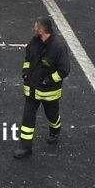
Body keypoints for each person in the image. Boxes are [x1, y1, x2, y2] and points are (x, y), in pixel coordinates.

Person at [16, 16, 72, 158]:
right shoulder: (34, 42)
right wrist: (25, 72)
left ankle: (55, 130)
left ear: (41, 30)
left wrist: (49, 81)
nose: (34, 29)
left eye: (36, 27)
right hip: (32, 90)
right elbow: (27, 59)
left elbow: (64, 70)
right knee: (28, 117)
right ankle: (25, 147)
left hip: (49, 93)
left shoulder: (58, 47)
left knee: (51, 115)